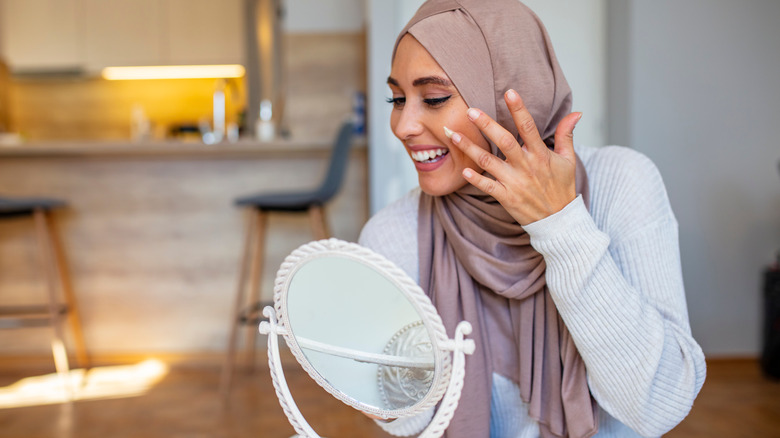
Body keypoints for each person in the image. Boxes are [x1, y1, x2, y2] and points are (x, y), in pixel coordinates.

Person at [358, 0, 706, 437]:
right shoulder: (393, 236)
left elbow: (659, 406)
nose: (403, 125)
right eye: (397, 98)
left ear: (508, 96)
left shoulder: (621, 183)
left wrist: (560, 225)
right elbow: (407, 423)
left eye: (433, 98)